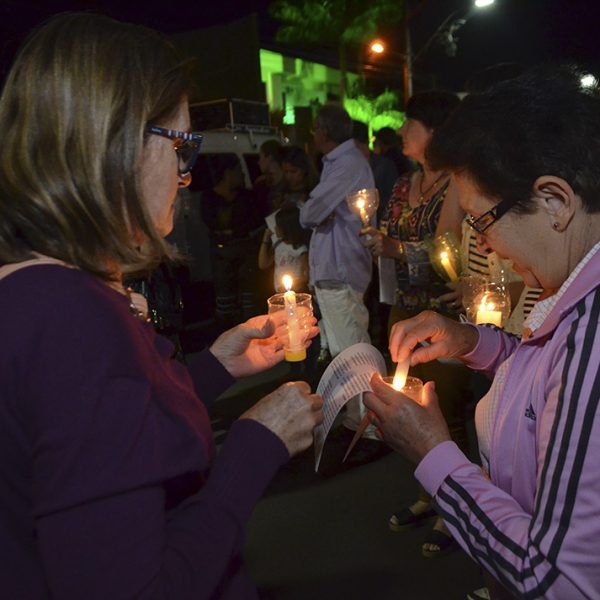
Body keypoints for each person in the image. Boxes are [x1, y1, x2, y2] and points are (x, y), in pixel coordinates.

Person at [0, 13, 324, 600]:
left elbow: (92, 438)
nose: (186, 175)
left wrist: (211, 369)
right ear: (114, 142)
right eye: (182, 145)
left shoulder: (32, 288)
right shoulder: (73, 319)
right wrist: (256, 445)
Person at [364, 65, 600, 599]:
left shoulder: (593, 332)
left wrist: (432, 453)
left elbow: (556, 580)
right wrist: (475, 342)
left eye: (483, 219)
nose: (483, 246)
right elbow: (552, 375)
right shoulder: (572, 290)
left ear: (555, 202)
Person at [361, 90, 467, 558]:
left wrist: (396, 249)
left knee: (443, 406)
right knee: (408, 398)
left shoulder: (458, 183)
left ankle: (458, 506)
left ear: (436, 131)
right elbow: (393, 236)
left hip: (442, 313)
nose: (402, 132)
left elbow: (449, 253)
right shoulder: (404, 184)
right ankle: (430, 491)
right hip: (403, 305)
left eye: (411, 124)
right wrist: (381, 243)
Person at [299, 104, 379, 443]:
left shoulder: (346, 164)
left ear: (324, 132)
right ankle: (356, 420)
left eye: (315, 128)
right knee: (346, 348)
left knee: (351, 350)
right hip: (336, 270)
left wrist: (316, 210)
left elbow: (310, 213)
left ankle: (368, 426)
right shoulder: (341, 163)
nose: (313, 135)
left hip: (341, 271)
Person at [201, 153, 264, 331]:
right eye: (238, 171)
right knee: (225, 302)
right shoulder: (210, 198)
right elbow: (212, 222)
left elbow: (253, 222)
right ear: (228, 173)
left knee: (249, 300)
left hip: (246, 254)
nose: (243, 175)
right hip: (222, 256)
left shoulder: (246, 197)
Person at [258, 203, 310, 293]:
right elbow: (263, 264)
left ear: (287, 228)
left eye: (278, 226)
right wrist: (265, 240)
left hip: (297, 292)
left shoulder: (300, 249)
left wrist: (291, 285)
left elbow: (307, 274)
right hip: (280, 292)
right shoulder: (278, 244)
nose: (275, 228)